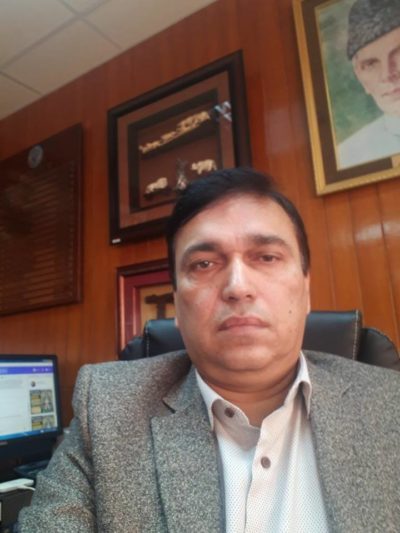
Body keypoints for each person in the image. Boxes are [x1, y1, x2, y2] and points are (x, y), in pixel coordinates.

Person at [19, 168, 400, 532]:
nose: (238, 287)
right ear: (176, 306)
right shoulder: (107, 408)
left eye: (267, 257)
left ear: (305, 291)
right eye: (203, 264)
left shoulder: (390, 406)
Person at [338, 0, 400, 168]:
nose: (388, 75)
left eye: (398, 54)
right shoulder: (347, 157)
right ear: (359, 76)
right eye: (371, 64)